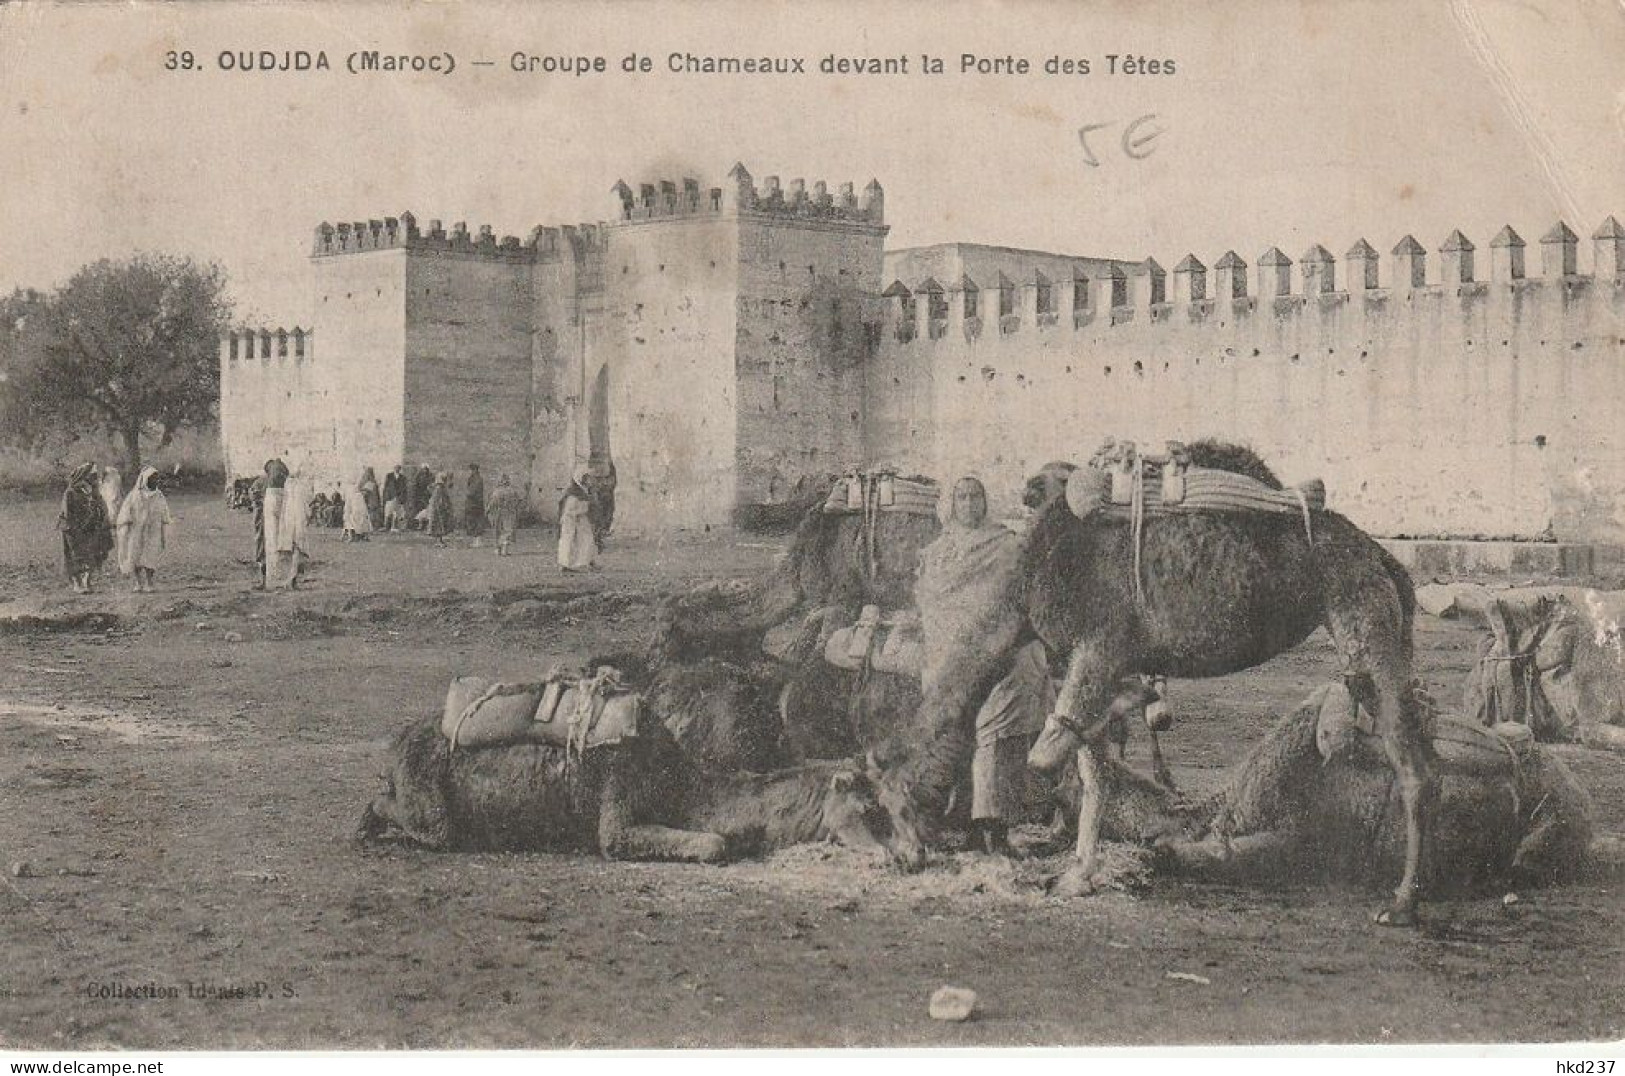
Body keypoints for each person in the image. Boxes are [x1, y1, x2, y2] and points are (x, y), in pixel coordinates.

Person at [916, 475, 1038, 856]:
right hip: (948, 659)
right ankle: (953, 818)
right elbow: (928, 601)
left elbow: (1010, 599)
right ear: (952, 504)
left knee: (994, 736)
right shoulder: (936, 552)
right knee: (953, 737)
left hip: (995, 656)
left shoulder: (1005, 545)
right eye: (962, 497)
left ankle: (992, 827)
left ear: (986, 502)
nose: (969, 504)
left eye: (976, 497)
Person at [58, 462, 114, 594]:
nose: (94, 479)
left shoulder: (93, 492)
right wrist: (77, 526)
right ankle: (77, 583)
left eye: (95, 476)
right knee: (76, 555)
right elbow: (67, 513)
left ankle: (87, 582)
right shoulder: (70, 492)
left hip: (90, 528)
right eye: (91, 476)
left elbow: (102, 508)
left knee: (93, 554)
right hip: (73, 529)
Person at [115, 466, 173, 593]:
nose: (156, 481)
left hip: (153, 531)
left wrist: (165, 525)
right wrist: (125, 524)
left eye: (157, 479)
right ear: (145, 480)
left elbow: (164, 512)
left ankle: (149, 582)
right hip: (136, 531)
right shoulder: (135, 495)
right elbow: (125, 512)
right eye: (152, 479)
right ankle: (138, 582)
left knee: (150, 556)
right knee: (135, 555)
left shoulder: (159, 496)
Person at [557, 469, 598, 573]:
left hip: (580, 520)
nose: (590, 481)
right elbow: (570, 510)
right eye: (587, 478)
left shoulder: (584, 491)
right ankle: (566, 564)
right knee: (569, 540)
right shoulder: (574, 493)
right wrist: (582, 511)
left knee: (586, 540)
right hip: (572, 520)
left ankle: (585, 561)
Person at [486, 474, 523, 556]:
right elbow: (518, 501)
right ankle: (504, 550)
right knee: (508, 530)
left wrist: (488, 511)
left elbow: (492, 503)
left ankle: (497, 550)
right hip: (510, 513)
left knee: (498, 530)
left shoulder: (496, 491)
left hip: (498, 513)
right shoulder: (513, 491)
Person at [342, 470, 374, 542]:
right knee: (350, 515)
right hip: (352, 497)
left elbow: (368, 488)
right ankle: (353, 535)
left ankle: (361, 535)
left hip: (358, 499)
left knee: (359, 516)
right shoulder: (349, 486)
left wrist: (363, 491)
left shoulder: (364, 478)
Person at [427, 471, 453, 546]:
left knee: (441, 524)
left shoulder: (440, 488)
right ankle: (438, 541)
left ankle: (440, 540)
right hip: (438, 509)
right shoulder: (439, 488)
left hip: (439, 508)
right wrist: (444, 506)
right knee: (438, 524)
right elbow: (439, 500)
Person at [462, 463, 487, 538]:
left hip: (476, 502)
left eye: (472, 470)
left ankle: (476, 534)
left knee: (475, 518)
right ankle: (473, 533)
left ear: (475, 470)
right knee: (471, 518)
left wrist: (468, 493)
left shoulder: (478, 479)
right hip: (472, 502)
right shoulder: (472, 478)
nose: (471, 471)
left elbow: (472, 492)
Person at [382, 465, 407, 532]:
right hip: (390, 497)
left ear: (400, 469)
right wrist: (386, 496)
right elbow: (386, 486)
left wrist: (402, 497)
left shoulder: (403, 477)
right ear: (394, 469)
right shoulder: (389, 476)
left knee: (400, 513)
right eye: (396, 468)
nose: (397, 470)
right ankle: (387, 527)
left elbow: (404, 488)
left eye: (398, 468)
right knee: (388, 512)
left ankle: (400, 527)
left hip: (399, 497)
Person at [359, 466, 384, 531]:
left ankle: (373, 527)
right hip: (371, 500)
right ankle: (372, 527)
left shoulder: (371, 482)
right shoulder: (371, 482)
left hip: (372, 500)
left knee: (373, 514)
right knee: (372, 514)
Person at [412, 463, 434, 531]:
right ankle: (420, 525)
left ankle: (427, 525)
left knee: (428, 510)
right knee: (420, 510)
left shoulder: (430, 476)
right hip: (420, 495)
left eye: (426, 469)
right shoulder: (418, 476)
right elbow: (415, 485)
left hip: (427, 495)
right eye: (423, 469)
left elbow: (432, 484)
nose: (425, 471)